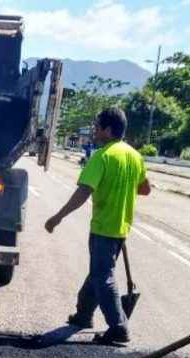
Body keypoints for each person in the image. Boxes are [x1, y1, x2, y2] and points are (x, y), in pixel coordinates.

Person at [45, 107, 151, 345]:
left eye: (97, 127)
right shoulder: (134, 156)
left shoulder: (102, 156)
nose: (94, 131)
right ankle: (83, 315)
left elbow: (83, 192)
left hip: (104, 227)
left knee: (103, 277)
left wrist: (57, 217)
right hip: (121, 227)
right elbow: (145, 189)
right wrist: (123, 187)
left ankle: (119, 327)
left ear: (108, 130)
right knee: (98, 272)